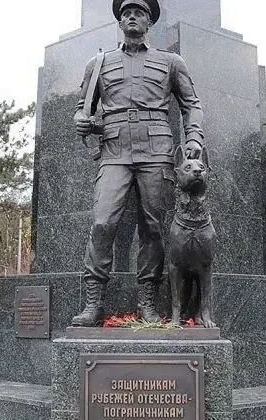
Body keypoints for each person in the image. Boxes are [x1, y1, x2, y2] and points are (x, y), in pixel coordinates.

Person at [71, 0, 205, 327]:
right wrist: (81, 120)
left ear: (149, 22)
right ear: (120, 22)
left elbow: (191, 104)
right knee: (102, 223)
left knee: (153, 228)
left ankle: (147, 301)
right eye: (126, 13)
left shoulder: (171, 62)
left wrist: (194, 139)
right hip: (114, 149)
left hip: (157, 148)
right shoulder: (99, 63)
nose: (132, 17)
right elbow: (81, 108)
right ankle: (93, 303)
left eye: (139, 13)